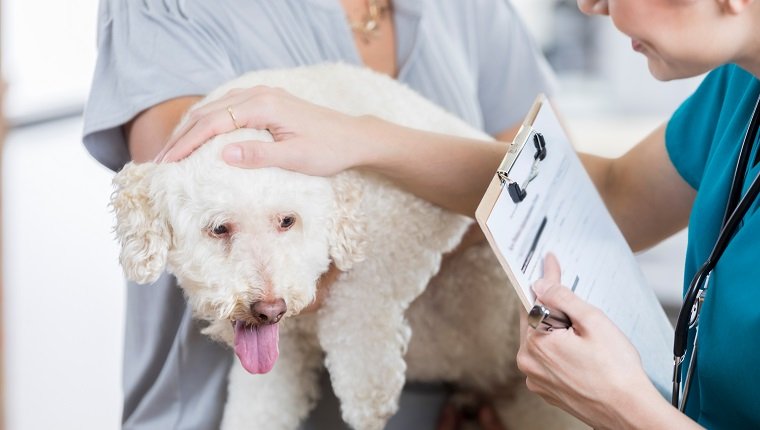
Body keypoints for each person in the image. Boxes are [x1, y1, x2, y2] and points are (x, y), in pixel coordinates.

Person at [160, 0, 760, 427]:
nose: (591, 5)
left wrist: (626, 409)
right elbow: (611, 196)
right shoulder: (737, 89)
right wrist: (364, 138)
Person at [82, 0, 554, 428]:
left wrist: (511, 394)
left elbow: (549, 199)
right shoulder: (167, 8)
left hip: (460, 406)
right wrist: (447, 208)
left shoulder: (476, 11)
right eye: (224, 230)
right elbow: (186, 193)